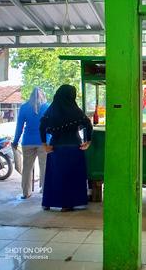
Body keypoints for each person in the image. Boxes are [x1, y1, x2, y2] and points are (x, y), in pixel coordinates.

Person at [40, 84, 92, 212]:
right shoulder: (75, 110)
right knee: (71, 177)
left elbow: (42, 126)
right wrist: (88, 141)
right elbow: (88, 124)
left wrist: (45, 145)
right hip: (74, 147)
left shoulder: (52, 109)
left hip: (56, 148)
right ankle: (67, 205)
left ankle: (49, 203)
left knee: (54, 177)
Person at [12, 87, 49, 199]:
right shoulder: (47, 107)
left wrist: (15, 141)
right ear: (43, 95)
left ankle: (26, 193)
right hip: (44, 142)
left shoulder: (24, 107)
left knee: (27, 168)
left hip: (27, 142)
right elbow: (51, 125)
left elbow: (19, 127)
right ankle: (45, 192)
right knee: (44, 168)